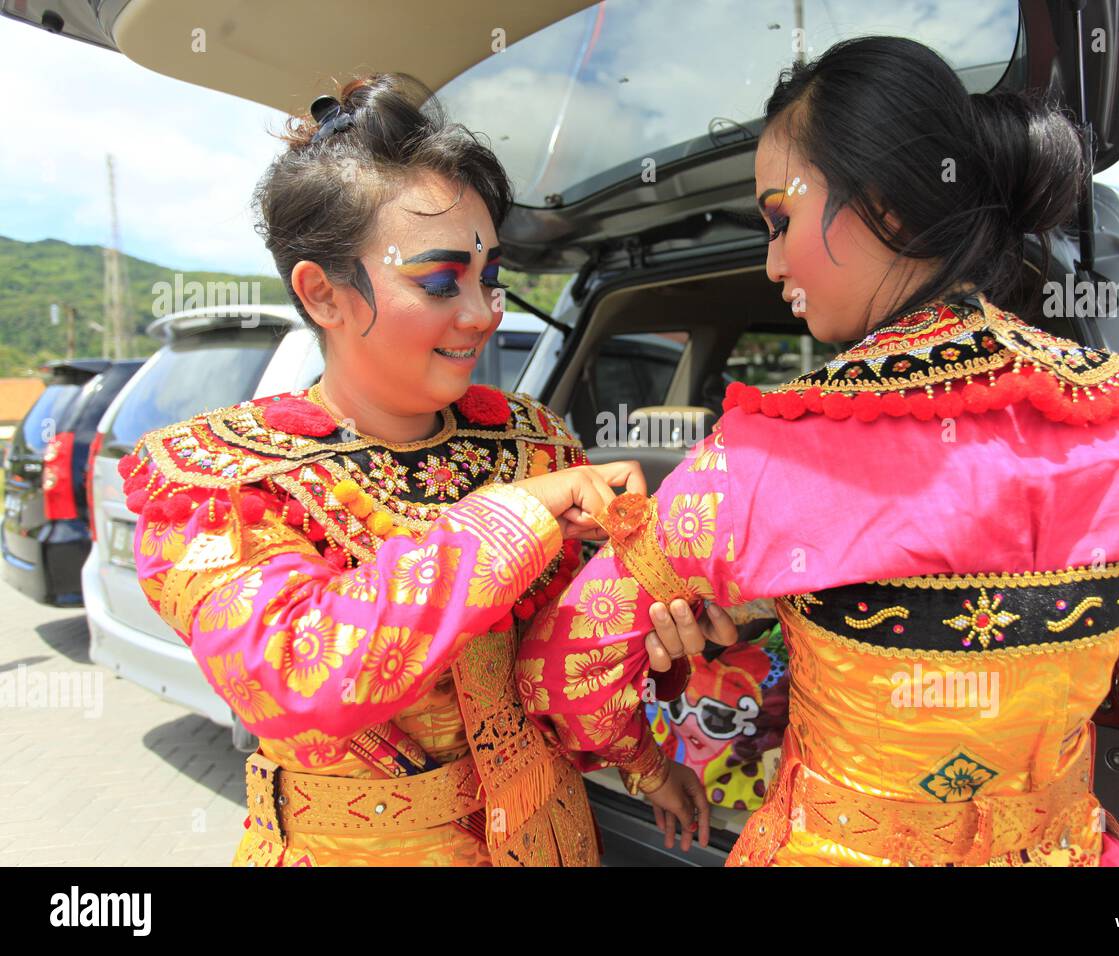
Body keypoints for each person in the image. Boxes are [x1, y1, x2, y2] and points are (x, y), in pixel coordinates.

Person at [514, 36, 1119, 866]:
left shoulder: (764, 456)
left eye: (780, 218)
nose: (774, 259)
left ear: (885, 202)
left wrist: (651, 763)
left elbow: (563, 676)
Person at [122, 73, 720, 866]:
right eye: (439, 282)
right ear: (324, 294)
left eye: (490, 277)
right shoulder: (228, 480)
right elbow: (297, 672)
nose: (482, 312)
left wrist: (651, 639)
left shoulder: (533, 441)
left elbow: (561, 671)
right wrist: (516, 515)